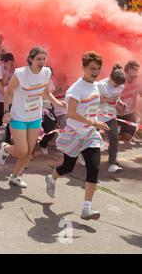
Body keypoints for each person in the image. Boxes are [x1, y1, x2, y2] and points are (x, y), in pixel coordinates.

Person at [45, 51, 110, 220]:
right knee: (68, 167)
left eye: (98, 69)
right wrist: (94, 122)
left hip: (90, 134)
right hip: (74, 133)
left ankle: (87, 208)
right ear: (84, 68)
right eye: (92, 68)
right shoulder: (75, 89)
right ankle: (51, 178)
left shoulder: (96, 85)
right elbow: (71, 114)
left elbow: (96, 104)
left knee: (94, 167)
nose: (95, 72)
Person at [0, 47, 64, 188]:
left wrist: (57, 102)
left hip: (35, 116)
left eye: (44, 59)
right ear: (31, 60)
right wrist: (5, 111)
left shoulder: (46, 72)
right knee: (22, 150)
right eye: (38, 59)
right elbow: (8, 92)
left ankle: (15, 176)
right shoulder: (21, 73)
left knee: (29, 152)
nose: (42, 62)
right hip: (19, 116)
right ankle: (6, 148)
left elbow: (45, 91)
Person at [97, 64, 126, 173]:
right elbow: (92, 100)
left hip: (110, 115)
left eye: (119, 85)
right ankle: (82, 155)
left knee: (114, 138)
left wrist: (120, 102)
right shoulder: (100, 85)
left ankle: (112, 164)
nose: (117, 86)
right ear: (110, 78)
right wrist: (106, 99)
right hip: (96, 115)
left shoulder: (121, 85)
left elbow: (117, 96)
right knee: (91, 139)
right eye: (115, 84)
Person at [0, 53, 14, 143]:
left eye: (12, 63)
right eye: (9, 63)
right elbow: (4, 82)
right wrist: (8, 70)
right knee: (2, 117)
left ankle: (8, 136)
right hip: (0, 98)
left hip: (12, 98)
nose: (11, 65)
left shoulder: (15, 70)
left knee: (11, 117)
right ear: (4, 62)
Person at [118, 60, 142, 141]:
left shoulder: (138, 81)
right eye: (131, 76)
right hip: (114, 114)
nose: (133, 79)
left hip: (129, 114)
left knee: (126, 138)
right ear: (125, 72)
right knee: (113, 138)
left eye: (135, 76)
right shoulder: (118, 81)